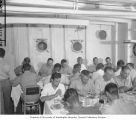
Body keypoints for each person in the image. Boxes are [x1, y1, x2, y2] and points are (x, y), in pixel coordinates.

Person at [0, 48, 16, 114]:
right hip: (6, 82)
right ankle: (7, 114)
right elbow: (12, 76)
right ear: (4, 54)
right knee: (7, 99)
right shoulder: (6, 64)